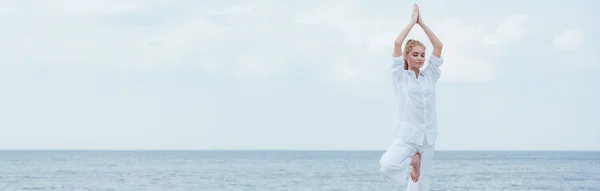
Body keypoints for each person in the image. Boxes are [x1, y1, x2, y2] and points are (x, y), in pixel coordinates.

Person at [379, 3, 444, 191]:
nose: (420, 58)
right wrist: (411, 23)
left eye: (423, 55)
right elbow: (397, 44)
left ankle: (416, 163)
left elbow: (438, 45)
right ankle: (413, 161)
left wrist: (421, 23)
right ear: (406, 57)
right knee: (388, 165)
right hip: (407, 137)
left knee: (420, 185)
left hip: (428, 138)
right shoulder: (400, 77)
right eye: (415, 54)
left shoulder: (429, 75)